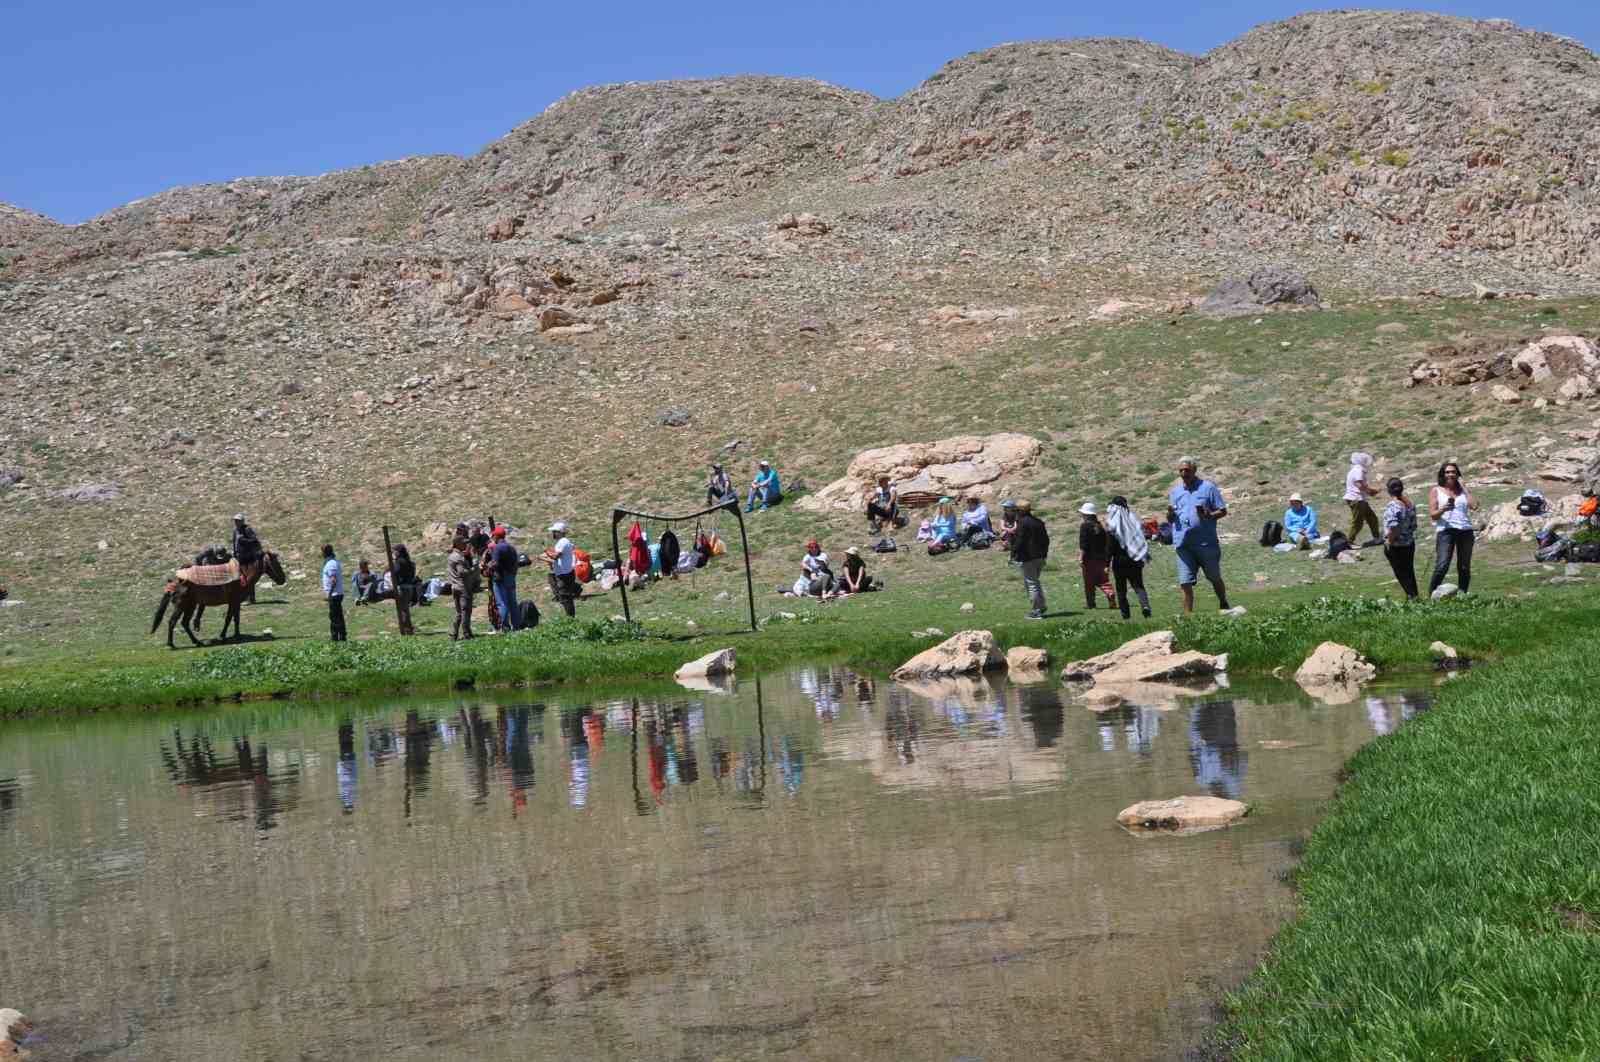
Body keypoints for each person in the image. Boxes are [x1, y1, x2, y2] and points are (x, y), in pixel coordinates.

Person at [1167, 457, 1232, 614]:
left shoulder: (1208, 488)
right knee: (1184, 582)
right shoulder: (1175, 492)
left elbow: (1222, 511)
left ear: (1194, 470)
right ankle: (1188, 617)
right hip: (1183, 544)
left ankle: (1223, 602)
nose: (1184, 473)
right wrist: (1169, 514)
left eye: (1187, 470)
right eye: (1181, 470)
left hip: (1205, 543)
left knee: (1214, 577)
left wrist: (1209, 515)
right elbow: (1171, 519)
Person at [1428, 461, 1475, 594]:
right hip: (1446, 530)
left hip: (1465, 530)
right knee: (1442, 565)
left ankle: (1462, 595)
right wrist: (1443, 509)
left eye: (1453, 472)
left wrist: (1465, 488)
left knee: (1464, 566)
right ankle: (1432, 595)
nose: (1450, 474)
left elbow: (1475, 506)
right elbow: (1433, 515)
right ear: (1443, 474)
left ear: (1457, 474)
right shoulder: (1436, 490)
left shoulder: (1462, 491)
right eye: (1447, 472)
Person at [1105, 495, 1152, 620]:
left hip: (1119, 562)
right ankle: (1145, 606)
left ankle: (1126, 616)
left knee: (1121, 589)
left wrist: (1106, 564)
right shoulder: (1133, 522)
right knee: (1138, 586)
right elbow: (1141, 539)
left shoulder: (1112, 526)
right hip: (1135, 559)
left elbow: (1109, 548)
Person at [1382, 477, 1420, 600]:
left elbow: (1394, 527)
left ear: (1389, 490)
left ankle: (1412, 596)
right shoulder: (1410, 504)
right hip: (1409, 543)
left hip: (1396, 545)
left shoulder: (1393, 506)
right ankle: (1414, 595)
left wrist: (1389, 541)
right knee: (1409, 571)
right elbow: (1414, 525)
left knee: (1401, 573)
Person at [1012, 500, 1049, 619]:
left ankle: (1036, 610)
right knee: (1035, 581)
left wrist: (1013, 552)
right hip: (1040, 557)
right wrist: (1044, 554)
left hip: (1028, 557)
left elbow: (1020, 540)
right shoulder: (1038, 522)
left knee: (1031, 583)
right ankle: (1041, 606)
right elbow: (1046, 540)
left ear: (1019, 511)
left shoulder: (1022, 523)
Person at [1077, 502, 1117, 609]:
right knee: (1103, 579)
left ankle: (1091, 604)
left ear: (1086, 515)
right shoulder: (1100, 526)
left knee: (1089, 582)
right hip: (1102, 557)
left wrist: (1081, 557)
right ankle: (1110, 593)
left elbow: (1083, 543)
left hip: (1089, 558)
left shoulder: (1084, 526)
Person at [1344, 452, 1383, 547]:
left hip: (1359, 499)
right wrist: (1371, 491)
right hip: (1356, 499)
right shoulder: (1358, 470)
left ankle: (1377, 538)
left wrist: (1369, 492)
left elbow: (1360, 485)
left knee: (1372, 518)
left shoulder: (1355, 469)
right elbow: (1359, 484)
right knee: (1358, 522)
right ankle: (1349, 542)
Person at [489, 526, 521, 632]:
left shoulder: (497, 548)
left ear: (497, 536)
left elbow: (495, 564)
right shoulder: (511, 548)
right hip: (511, 577)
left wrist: (487, 567)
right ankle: (516, 626)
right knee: (513, 602)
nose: (492, 537)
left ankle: (505, 628)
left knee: (502, 603)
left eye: (493, 535)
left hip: (500, 578)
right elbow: (516, 563)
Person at [545, 521, 580, 618]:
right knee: (566, 596)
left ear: (560, 532)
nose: (553, 534)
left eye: (555, 531)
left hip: (564, 574)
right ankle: (570, 617)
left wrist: (547, 553)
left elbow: (556, 556)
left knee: (565, 597)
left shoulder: (562, 542)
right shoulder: (565, 542)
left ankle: (570, 618)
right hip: (567, 572)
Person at [446, 535, 477, 640]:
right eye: (463, 543)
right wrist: (473, 569)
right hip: (463, 586)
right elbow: (462, 572)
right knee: (466, 611)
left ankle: (453, 633)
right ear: (458, 544)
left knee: (459, 612)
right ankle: (466, 633)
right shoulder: (459, 557)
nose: (466, 544)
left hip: (454, 586)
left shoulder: (452, 556)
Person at [232, 514, 262, 604]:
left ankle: (251, 598)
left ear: (242, 521)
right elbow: (234, 543)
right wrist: (234, 553)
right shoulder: (235, 531)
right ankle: (246, 597)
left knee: (249, 578)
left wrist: (244, 540)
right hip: (239, 557)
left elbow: (255, 541)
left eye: (238, 520)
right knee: (242, 578)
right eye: (235, 520)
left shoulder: (247, 529)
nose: (236, 522)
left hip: (249, 557)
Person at [321, 544, 347, 642]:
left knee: (335, 617)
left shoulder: (331, 564)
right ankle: (340, 637)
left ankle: (336, 638)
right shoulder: (332, 562)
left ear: (324, 553)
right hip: (336, 594)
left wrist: (329, 594)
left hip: (335, 594)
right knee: (337, 616)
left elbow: (333, 580)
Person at [390, 544, 417, 634]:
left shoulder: (399, 561)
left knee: (403, 610)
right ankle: (408, 628)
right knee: (405, 609)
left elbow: (395, 572)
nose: (393, 553)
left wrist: (391, 567)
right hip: (410, 587)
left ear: (398, 552)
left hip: (403, 587)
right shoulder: (409, 561)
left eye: (394, 551)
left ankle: (407, 630)